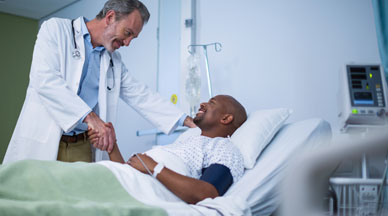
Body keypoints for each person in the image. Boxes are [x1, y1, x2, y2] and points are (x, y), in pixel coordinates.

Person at [3, 0, 195, 164]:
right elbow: (45, 79)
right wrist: (90, 118)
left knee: (79, 204)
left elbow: (142, 95)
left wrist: (188, 122)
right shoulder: (56, 29)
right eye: (127, 33)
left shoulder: (113, 61)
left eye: (133, 38)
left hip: (81, 145)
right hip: (44, 138)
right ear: (110, 17)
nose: (127, 43)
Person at [89, 95, 247, 204]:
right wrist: (111, 146)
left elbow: (208, 193)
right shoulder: (187, 139)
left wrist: (154, 167)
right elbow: (130, 176)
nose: (202, 104)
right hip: (116, 179)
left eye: (211, 103)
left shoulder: (223, 148)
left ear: (226, 118)